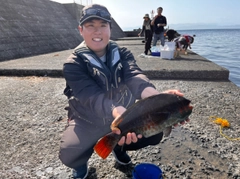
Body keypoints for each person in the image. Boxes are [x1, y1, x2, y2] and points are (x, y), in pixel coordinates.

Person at [59, 4, 188, 179]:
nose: (97, 31)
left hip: (123, 116)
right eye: (91, 26)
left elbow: (134, 76)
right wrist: (118, 112)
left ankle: (118, 146)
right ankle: (80, 163)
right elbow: (91, 97)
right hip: (87, 119)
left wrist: (157, 98)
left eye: (103, 25)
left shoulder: (123, 53)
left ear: (110, 29)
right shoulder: (73, 64)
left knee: (155, 132)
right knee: (70, 152)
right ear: (80, 30)